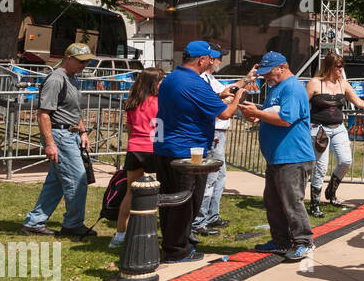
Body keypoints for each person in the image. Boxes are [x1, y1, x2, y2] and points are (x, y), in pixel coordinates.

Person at [153, 41, 247, 263]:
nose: (212, 62)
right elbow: (224, 114)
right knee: (186, 202)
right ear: (201, 60)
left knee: (170, 200)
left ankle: (176, 241)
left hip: (166, 148)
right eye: (210, 58)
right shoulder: (195, 83)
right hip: (186, 152)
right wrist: (237, 97)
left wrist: (220, 95)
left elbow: (192, 103)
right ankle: (177, 250)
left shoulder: (172, 78)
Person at [238, 52, 315, 262]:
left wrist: (258, 113)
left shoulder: (291, 87)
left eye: (268, 72)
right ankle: (280, 240)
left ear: (282, 67)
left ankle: (303, 242)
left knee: (291, 202)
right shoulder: (277, 87)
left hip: (293, 157)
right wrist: (257, 115)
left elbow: (286, 119)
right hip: (278, 157)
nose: (264, 77)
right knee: (273, 201)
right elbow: (275, 114)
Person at [21, 43, 98, 239]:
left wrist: (82, 132)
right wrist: (50, 143)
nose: (85, 64)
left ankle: (34, 222)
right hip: (60, 136)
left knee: (55, 183)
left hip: (70, 134)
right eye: (81, 61)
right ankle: (72, 225)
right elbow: (43, 114)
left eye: (87, 61)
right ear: (68, 58)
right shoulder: (56, 79)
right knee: (78, 180)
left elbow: (73, 111)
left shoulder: (72, 78)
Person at [306, 52, 364, 216]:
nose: (340, 69)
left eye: (342, 66)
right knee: (320, 167)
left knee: (346, 161)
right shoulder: (315, 83)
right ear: (329, 67)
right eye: (338, 66)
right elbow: (302, 104)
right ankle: (314, 204)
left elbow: (358, 102)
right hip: (319, 129)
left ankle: (331, 191)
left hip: (338, 128)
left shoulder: (343, 84)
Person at [193, 47, 258, 236]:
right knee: (210, 179)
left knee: (219, 176)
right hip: (212, 131)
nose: (219, 61)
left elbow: (225, 91)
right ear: (208, 60)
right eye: (217, 58)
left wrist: (246, 79)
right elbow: (221, 103)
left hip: (220, 131)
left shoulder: (210, 79)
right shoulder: (201, 80)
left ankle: (212, 215)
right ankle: (199, 220)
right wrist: (234, 99)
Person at [111, 66, 165, 248]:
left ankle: (120, 234)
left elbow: (130, 129)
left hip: (134, 149)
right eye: (161, 81)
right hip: (154, 149)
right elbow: (161, 131)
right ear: (154, 83)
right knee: (163, 190)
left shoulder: (133, 102)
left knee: (130, 192)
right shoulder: (159, 103)